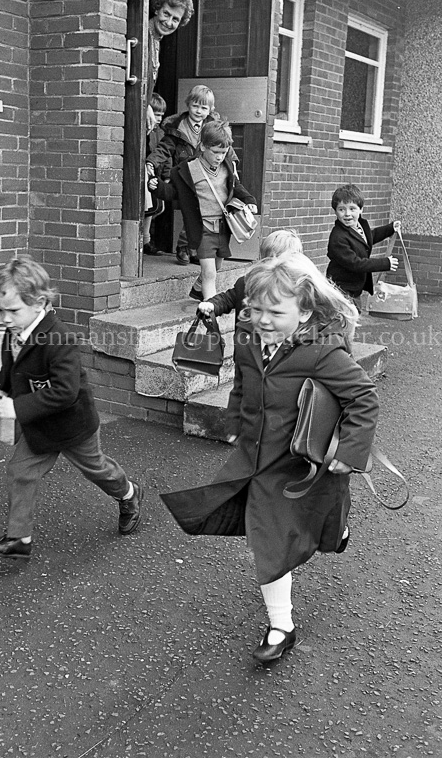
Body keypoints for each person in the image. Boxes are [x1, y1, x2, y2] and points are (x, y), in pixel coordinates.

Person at [160, 253, 378, 663]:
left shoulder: (323, 352)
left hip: (301, 462)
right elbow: (243, 384)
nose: (261, 319)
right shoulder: (247, 339)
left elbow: (363, 397)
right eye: (254, 309)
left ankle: (336, 524)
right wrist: (232, 420)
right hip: (257, 459)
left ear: (305, 311)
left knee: (312, 519)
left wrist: (350, 452)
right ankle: (282, 626)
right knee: (270, 538)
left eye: (275, 312)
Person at [0, 255, 143, 560]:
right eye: (0, 310)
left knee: (97, 470)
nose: (5, 318)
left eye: (12, 311)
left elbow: (65, 392)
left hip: (73, 426)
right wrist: (1, 389)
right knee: (20, 471)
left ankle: (130, 494)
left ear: (39, 302)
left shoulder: (59, 338)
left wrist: (17, 408)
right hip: (40, 426)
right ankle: (19, 539)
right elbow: (14, 367)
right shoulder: (14, 330)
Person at [150, 120, 257, 300]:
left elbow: (235, 185)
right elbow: (174, 193)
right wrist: (157, 187)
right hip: (202, 228)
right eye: (215, 152)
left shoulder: (227, 166)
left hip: (223, 228)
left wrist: (249, 200)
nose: (219, 157)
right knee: (210, 274)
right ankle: (210, 311)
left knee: (217, 267)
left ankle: (198, 289)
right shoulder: (187, 169)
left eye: (223, 152)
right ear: (202, 146)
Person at [147, 84, 221, 266]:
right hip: (184, 175)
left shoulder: (213, 128)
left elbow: (224, 147)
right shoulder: (177, 128)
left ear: (210, 110)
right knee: (194, 210)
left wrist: (232, 164)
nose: (199, 111)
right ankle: (185, 246)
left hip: (205, 176)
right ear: (188, 105)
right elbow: (164, 148)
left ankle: (189, 247)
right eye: (195, 106)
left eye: (204, 108)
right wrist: (151, 162)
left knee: (203, 211)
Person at [197, 228, 303, 323]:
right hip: (247, 341)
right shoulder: (247, 283)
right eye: (268, 259)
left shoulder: (300, 290)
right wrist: (212, 305)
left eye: (281, 261)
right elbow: (227, 299)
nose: (273, 264)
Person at [326, 183, 401, 310]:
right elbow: (356, 263)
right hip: (341, 289)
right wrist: (384, 263)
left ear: (361, 209)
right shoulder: (338, 238)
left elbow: (369, 238)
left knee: (350, 321)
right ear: (335, 211)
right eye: (341, 209)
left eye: (352, 208)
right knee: (343, 323)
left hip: (354, 288)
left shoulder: (359, 226)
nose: (347, 214)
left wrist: (390, 228)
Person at [146, 0, 194, 132]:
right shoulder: (144, 35)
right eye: (166, 14)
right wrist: (145, 106)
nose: (168, 22)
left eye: (175, 19)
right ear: (157, 9)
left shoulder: (156, 39)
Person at [143, 93, 167, 256]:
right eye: (156, 114)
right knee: (149, 208)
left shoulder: (160, 132)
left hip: (155, 174)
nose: (158, 119)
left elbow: (166, 155)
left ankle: (145, 238)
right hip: (145, 173)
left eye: (161, 115)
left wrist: (166, 175)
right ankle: (145, 240)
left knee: (157, 207)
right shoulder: (146, 130)